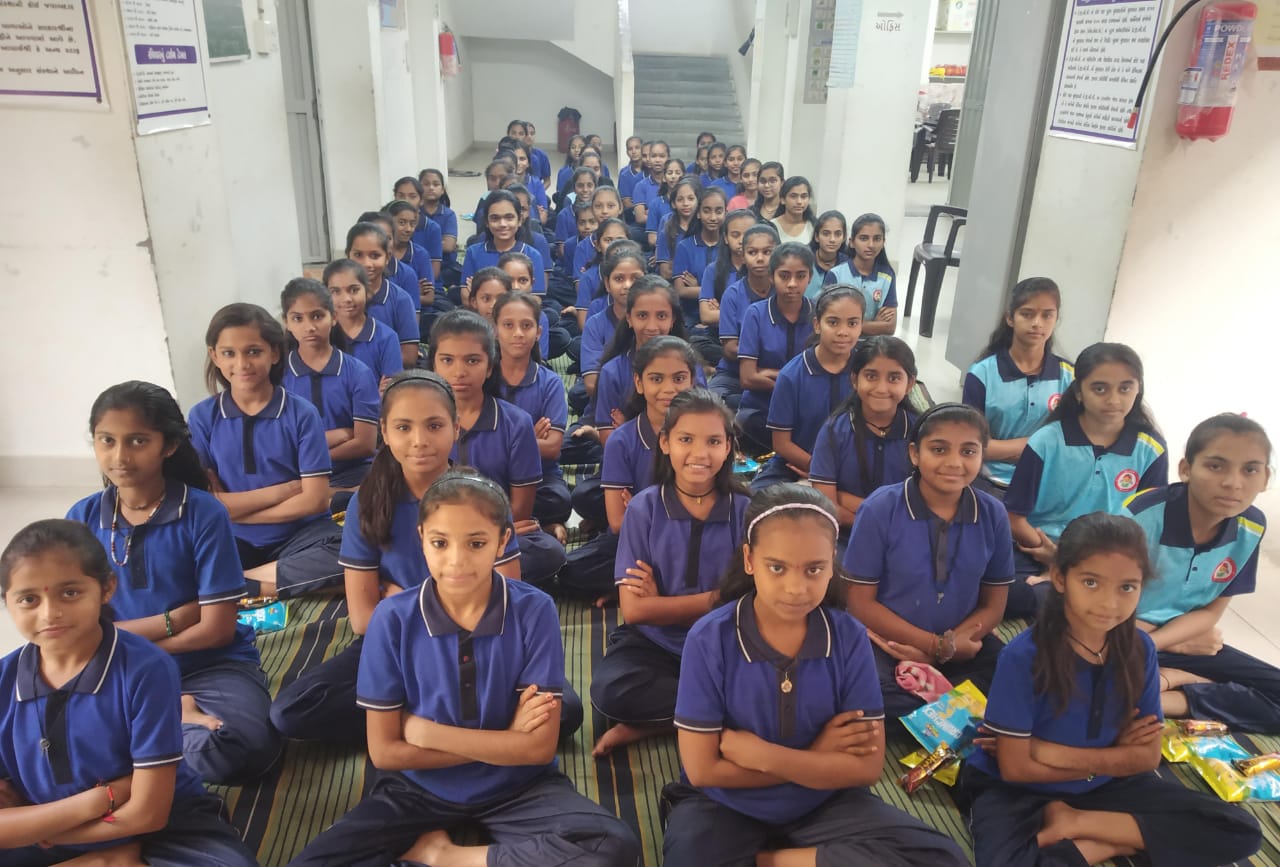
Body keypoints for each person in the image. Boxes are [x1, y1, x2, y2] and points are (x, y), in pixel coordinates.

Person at [284, 471, 639, 867]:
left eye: (476, 543)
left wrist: (428, 733)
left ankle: (447, 857)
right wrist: (507, 741)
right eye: (440, 543)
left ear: (502, 541)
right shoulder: (393, 619)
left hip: (518, 785)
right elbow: (385, 753)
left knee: (612, 847)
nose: (456, 560)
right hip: (416, 787)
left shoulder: (533, 609)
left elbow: (538, 747)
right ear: (422, 538)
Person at [663, 485, 971, 866]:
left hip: (824, 799)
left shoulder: (848, 637)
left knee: (940, 858)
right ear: (749, 560)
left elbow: (866, 767)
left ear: (832, 564)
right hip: (726, 804)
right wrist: (816, 756)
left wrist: (767, 757)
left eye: (814, 569)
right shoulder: (710, 639)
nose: (796, 588)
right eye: (777, 567)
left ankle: (768, 860)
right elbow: (703, 770)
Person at [267, 372, 577, 743]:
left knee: (564, 711)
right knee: (293, 710)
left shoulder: (482, 496)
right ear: (384, 431)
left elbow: (508, 598)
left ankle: (414, 719)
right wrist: (411, 614)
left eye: (434, 425)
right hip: (400, 641)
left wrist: (398, 598)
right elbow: (364, 620)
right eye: (404, 427)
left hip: (481, 638)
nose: (419, 441)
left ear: (455, 428)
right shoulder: (368, 503)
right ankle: (455, 720)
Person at [959, 512, 1262, 867]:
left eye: (1127, 587)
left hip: (1104, 786)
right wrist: (1112, 758)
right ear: (1059, 577)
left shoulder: (1139, 649)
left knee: (1238, 830)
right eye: (1091, 582)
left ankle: (1083, 825)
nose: (1109, 603)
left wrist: (1048, 751)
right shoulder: (1023, 656)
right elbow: (1015, 769)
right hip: (1018, 789)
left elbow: (1146, 757)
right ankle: (1122, 838)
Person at [0, 519, 258, 866]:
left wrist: (47, 834)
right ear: (7, 601)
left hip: (156, 829)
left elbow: (147, 814)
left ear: (107, 588)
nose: (50, 613)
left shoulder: (145, 669)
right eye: (29, 599)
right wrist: (95, 802)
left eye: (70, 593)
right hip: (50, 823)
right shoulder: (5, 680)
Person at [67, 382, 280, 786]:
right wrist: (173, 619)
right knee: (42, 741)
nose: (119, 456)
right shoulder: (82, 518)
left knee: (237, 749)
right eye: (107, 440)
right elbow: (79, 632)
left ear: (168, 445)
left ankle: (151, 737)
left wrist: (120, 641)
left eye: (137, 441)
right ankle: (167, 726)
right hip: (119, 672)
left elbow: (216, 630)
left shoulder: (203, 513)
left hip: (208, 669)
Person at [591, 388, 748, 756]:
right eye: (686, 439)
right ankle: (713, 716)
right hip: (655, 643)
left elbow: (749, 604)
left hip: (725, 642)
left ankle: (656, 724)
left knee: (780, 682)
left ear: (728, 447)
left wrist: (663, 603)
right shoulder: (644, 508)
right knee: (611, 692)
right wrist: (718, 598)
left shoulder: (744, 510)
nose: (700, 453)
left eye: (713, 441)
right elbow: (636, 611)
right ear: (665, 443)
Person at [844, 404, 1014, 716]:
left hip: (961, 642)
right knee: (866, 692)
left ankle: (933, 702)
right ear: (914, 453)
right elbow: (859, 603)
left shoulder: (993, 514)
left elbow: (994, 605)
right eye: (939, 449)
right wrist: (934, 646)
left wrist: (948, 648)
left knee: (1016, 671)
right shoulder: (880, 509)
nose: (954, 463)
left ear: (982, 456)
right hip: (890, 642)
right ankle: (956, 707)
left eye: (968, 451)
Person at [1126, 413, 1280, 732]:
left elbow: (1211, 612)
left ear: (1266, 477)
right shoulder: (1139, 518)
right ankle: (1180, 686)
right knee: (1075, 684)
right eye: (1215, 466)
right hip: (1119, 636)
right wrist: (1167, 643)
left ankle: (1170, 692)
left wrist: (1160, 643)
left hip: (1174, 637)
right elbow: (1096, 608)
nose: (1233, 483)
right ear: (1186, 469)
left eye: (1250, 470)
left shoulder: (1251, 526)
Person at [190, 303, 342, 599]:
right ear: (214, 355)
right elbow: (207, 503)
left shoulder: (301, 414)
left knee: (349, 556)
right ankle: (278, 581)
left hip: (301, 534)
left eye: (253, 351)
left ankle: (241, 583)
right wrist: (282, 491)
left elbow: (314, 501)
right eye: (229, 353)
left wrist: (235, 511)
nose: (242, 364)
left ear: (274, 353)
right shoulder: (202, 417)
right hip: (234, 538)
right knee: (178, 562)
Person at [1005, 343, 1168, 618]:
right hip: (1036, 548)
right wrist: (1053, 556)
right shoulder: (1047, 441)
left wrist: (1066, 562)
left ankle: (1070, 595)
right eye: (1100, 389)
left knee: (1140, 597)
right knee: (998, 588)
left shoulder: (1151, 450)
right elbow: (1014, 517)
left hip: (1108, 557)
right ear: (1079, 392)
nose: (1113, 400)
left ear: (1138, 390)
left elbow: (1146, 529)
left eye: (1125, 388)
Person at [428, 310, 566, 587]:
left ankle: (447, 576)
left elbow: (520, 509)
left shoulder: (516, 423)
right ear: (433, 365)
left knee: (548, 552)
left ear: (490, 366)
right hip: (434, 534)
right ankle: (479, 575)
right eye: (447, 360)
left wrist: (476, 537)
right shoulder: (421, 420)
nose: (459, 372)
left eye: (472, 360)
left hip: (494, 532)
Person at [559, 337, 700, 602]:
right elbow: (617, 522)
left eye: (679, 378)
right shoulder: (622, 440)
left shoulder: (705, 434)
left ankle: (638, 585)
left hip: (696, 537)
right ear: (639, 383)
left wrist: (641, 510)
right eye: (656, 379)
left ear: (692, 380)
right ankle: (655, 583)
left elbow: (712, 508)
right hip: (639, 540)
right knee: (570, 571)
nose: (669, 389)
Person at [963, 277, 1073, 494]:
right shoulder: (982, 374)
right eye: (1027, 314)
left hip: (1047, 484)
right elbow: (972, 445)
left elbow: (1069, 443)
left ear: (1056, 318)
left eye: (1047, 315)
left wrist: (1006, 449)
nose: (1037, 323)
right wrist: (1037, 446)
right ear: (1010, 318)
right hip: (990, 482)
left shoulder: (1069, 376)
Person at [753, 285, 864, 491]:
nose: (843, 332)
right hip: (798, 464)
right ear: (817, 325)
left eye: (852, 323)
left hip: (854, 466)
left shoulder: (866, 371)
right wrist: (820, 471)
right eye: (833, 322)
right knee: (758, 500)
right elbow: (782, 444)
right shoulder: (791, 375)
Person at [811, 336, 919, 532]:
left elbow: (927, 502)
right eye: (871, 376)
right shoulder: (834, 430)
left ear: (910, 384)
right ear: (855, 379)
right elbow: (827, 507)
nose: (881, 388)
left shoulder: (921, 432)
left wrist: (848, 500)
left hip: (905, 534)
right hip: (847, 535)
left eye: (894, 378)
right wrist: (879, 522)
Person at [280, 278, 379, 492]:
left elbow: (365, 444)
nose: (309, 327)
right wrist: (343, 434)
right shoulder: (278, 375)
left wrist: (310, 455)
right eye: (297, 318)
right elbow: (280, 445)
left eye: (317, 316)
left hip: (353, 474)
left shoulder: (358, 373)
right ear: (286, 322)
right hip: (296, 477)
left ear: (333, 317)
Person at [494, 291, 572, 538]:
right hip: (491, 473)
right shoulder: (484, 377)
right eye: (508, 325)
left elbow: (553, 448)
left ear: (538, 332)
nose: (518, 333)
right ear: (494, 330)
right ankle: (535, 527)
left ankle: (507, 525)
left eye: (526, 326)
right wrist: (527, 437)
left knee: (559, 500)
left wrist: (497, 440)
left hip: (540, 478)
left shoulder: (549, 382)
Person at [592, 276, 703, 444]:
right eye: (642, 315)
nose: (652, 327)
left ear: (672, 319)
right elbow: (610, 440)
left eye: (661, 316)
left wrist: (629, 430)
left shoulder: (690, 365)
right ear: (629, 318)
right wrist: (630, 434)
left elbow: (700, 427)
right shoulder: (612, 372)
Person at [736, 242, 816, 452]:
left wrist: (770, 373)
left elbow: (820, 373)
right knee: (746, 425)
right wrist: (793, 384)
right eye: (784, 276)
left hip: (807, 407)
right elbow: (747, 378)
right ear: (771, 276)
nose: (792, 284)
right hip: (762, 407)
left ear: (810, 277)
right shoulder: (756, 314)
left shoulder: (818, 314)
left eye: (800, 276)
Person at [712, 222, 778, 410]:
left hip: (778, 371)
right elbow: (730, 349)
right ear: (742, 256)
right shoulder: (733, 294)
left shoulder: (784, 292)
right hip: (733, 373)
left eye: (767, 252)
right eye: (752, 252)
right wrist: (759, 364)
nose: (760, 258)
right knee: (712, 402)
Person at [346, 222, 420, 368]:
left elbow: (409, 356)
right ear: (347, 255)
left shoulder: (401, 300)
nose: (366, 263)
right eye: (358, 255)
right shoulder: (333, 298)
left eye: (375, 255)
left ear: (387, 257)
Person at [325, 258, 405, 386]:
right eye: (335, 291)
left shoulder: (386, 338)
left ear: (368, 292)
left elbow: (391, 390)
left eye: (354, 290)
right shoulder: (322, 335)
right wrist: (374, 392)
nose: (346, 299)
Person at [461, 189, 549, 298]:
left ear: (520, 220)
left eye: (509, 217)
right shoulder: (473, 252)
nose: (502, 224)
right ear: (486, 222)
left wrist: (485, 296)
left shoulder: (533, 255)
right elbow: (466, 297)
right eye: (495, 218)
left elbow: (536, 299)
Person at [823, 213, 898, 337]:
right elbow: (828, 320)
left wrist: (848, 323)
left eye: (877, 239)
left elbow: (890, 327)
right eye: (863, 238)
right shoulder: (836, 274)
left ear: (883, 242)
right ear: (852, 242)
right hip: (840, 340)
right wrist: (874, 324)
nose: (871, 245)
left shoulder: (887, 276)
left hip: (873, 344)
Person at [671, 186, 728, 328]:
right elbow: (681, 290)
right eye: (707, 211)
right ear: (698, 213)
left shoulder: (729, 245)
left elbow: (734, 288)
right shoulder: (685, 246)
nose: (713, 217)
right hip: (691, 316)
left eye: (718, 211)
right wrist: (714, 290)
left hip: (724, 312)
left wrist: (699, 287)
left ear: (726, 213)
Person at [654, 177, 702, 283]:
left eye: (691, 199)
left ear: (698, 201)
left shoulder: (703, 229)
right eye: (680, 199)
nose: (685, 203)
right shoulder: (666, 231)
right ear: (673, 204)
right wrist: (687, 278)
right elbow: (665, 272)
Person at [417, 168, 459, 286]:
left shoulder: (448, 214)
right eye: (426, 184)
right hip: (418, 264)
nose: (431, 188)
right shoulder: (415, 214)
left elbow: (448, 246)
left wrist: (419, 242)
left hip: (445, 266)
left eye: (436, 184)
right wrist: (438, 242)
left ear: (442, 190)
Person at [808, 211, 848, 298]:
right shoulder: (804, 259)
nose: (832, 239)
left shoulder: (848, 265)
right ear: (817, 237)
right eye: (826, 234)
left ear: (844, 237)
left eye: (838, 234)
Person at [770, 177, 816, 245]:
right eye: (793, 196)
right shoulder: (771, 226)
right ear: (782, 199)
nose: (799, 201)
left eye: (803, 196)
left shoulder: (814, 226)